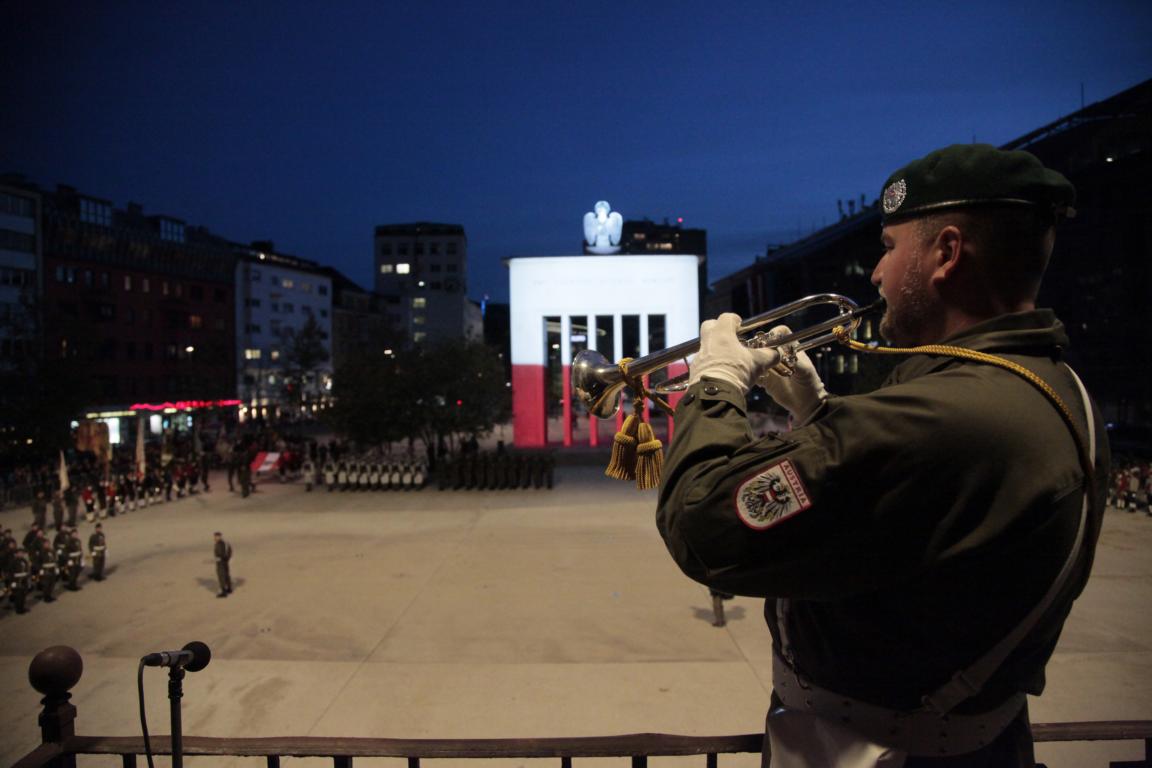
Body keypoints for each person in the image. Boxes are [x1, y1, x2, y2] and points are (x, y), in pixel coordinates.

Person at [656, 144, 1109, 767]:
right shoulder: (1057, 387)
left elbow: (701, 524)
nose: (875, 273)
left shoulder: (938, 417)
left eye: (890, 247)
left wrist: (716, 384)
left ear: (947, 253)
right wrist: (819, 414)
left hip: (875, 752)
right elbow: (900, 515)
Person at [213, 531, 233, 597]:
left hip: (221, 562)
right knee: (226, 575)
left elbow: (221, 553)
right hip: (225, 561)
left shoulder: (220, 544)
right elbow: (229, 551)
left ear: (219, 537)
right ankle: (229, 588)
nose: (215, 538)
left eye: (216, 536)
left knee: (221, 576)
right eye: (215, 536)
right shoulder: (225, 543)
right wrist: (227, 558)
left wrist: (221, 558)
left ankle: (223, 592)